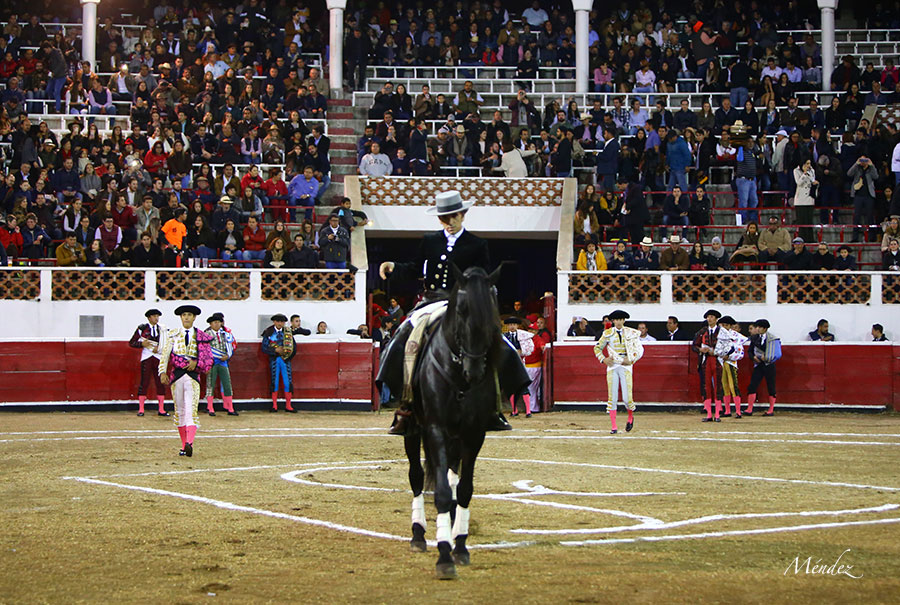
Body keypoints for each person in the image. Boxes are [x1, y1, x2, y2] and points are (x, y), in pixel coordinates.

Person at [377, 190, 523, 435]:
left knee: (496, 340)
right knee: (402, 336)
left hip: (464, 303)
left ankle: (495, 407)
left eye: (453, 216)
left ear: (462, 215)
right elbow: (414, 268)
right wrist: (394, 266)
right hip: (431, 301)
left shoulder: (477, 244)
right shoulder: (430, 240)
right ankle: (405, 404)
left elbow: (484, 278)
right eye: (444, 218)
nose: (449, 222)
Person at [158, 305, 214, 457]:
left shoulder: (201, 336)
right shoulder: (173, 335)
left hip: (193, 376)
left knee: (191, 410)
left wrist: (197, 363)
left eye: (189, 315)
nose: (187, 317)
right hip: (176, 377)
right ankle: (184, 446)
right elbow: (165, 355)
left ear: (194, 317)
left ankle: (189, 442)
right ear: (181, 317)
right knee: (180, 411)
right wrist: (162, 371)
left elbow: (208, 359)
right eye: (184, 315)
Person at [593, 310, 644, 434]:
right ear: (613, 321)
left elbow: (639, 349)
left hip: (626, 365)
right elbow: (597, 348)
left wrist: (631, 359)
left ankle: (630, 417)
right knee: (613, 397)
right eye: (617, 320)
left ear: (624, 320)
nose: (619, 322)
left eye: (621, 319)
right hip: (613, 366)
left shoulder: (631, 333)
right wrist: (603, 359)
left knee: (627, 398)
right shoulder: (607, 334)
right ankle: (614, 426)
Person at [128, 309, 168, 417]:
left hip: (159, 357)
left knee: (160, 382)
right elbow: (132, 343)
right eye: (154, 316)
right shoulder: (142, 329)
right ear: (149, 318)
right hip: (147, 357)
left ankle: (161, 409)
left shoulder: (163, 329)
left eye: (157, 316)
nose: (156, 318)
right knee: (144, 382)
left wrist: (159, 348)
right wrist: (142, 344)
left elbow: (167, 343)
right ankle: (141, 409)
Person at [713, 315, 749, 420]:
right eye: (722, 325)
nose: (724, 327)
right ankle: (727, 410)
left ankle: (738, 411)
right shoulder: (718, 335)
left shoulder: (736, 336)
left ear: (730, 326)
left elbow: (740, 353)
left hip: (731, 363)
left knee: (733, 386)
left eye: (726, 325)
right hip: (720, 362)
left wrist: (728, 356)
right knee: (724, 387)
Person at [745, 318, 781, 416]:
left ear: (765, 328)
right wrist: (754, 357)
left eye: (759, 327)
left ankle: (771, 410)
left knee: (771, 386)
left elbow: (776, 353)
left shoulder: (772, 339)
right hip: (758, 365)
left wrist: (768, 357)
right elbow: (750, 351)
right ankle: (749, 409)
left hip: (769, 365)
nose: (758, 329)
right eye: (757, 327)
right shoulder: (755, 338)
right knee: (752, 385)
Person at [692, 309, 724, 420]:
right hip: (705, 361)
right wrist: (701, 349)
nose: (709, 319)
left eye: (711, 317)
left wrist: (715, 351)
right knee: (706, 387)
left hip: (718, 361)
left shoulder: (722, 332)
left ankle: (718, 414)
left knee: (718, 387)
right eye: (708, 317)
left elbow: (728, 347)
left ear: (716, 319)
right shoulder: (702, 331)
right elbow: (694, 346)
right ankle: (709, 414)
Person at [261, 313, 297, 412]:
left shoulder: (288, 332)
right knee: (274, 382)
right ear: (274, 322)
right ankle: (274, 405)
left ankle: (288, 405)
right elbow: (264, 348)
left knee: (287, 382)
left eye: (282, 322)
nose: (280, 323)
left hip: (285, 361)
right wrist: (275, 351)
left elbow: (294, 347)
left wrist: (288, 356)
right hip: (274, 360)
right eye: (278, 321)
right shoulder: (268, 332)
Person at [205, 312, 238, 416]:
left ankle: (230, 407)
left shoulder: (225, 334)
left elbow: (230, 347)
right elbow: (204, 350)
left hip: (223, 362)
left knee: (227, 384)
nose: (217, 324)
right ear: (210, 324)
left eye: (218, 322)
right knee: (210, 384)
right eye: (214, 322)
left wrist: (228, 356)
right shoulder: (206, 335)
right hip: (212, 362)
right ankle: (210, 407)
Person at [502, 317, 536, 417]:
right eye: (510, 325)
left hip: (520, 364)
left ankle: (528, 411)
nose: (512, 326)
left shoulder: (523, 336)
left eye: (514, 324)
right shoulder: (504, 337)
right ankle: (514, 411)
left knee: (524, 387)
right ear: (507, 326)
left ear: (517, 326)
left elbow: (530, 349)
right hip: (509, 365)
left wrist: (521, 352)